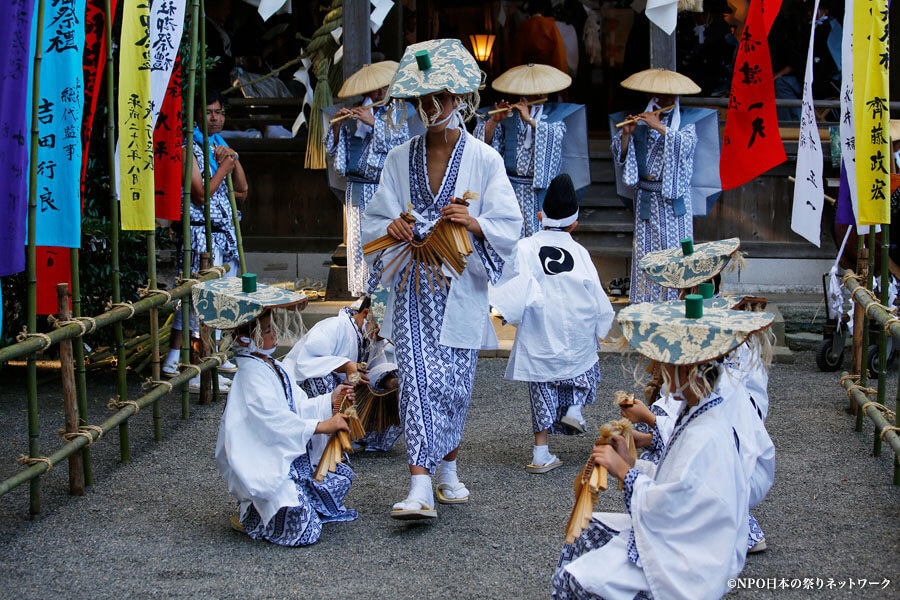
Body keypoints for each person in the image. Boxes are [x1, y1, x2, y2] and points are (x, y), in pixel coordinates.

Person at [361, 39, 522, 520]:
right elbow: (376, 218)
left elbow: (509, 224)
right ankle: (420, 485)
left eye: (440, 99)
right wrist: (391, 227)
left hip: (459, 288)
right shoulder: (397, 158)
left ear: (458, 99)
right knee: (416, 383)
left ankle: (448, 470)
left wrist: (475, 224)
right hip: (412, 287)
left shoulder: (484, 159)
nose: (430, 108)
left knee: (453, 385)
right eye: (421, 101)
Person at [552, 297, 774, 599]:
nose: (660, 373)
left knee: (580, 579)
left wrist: (627, 472)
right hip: (689, 538)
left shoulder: (707, 432)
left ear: (689, 372)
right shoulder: (703, 411)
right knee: (589, 531)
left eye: (668, 366)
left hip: (693, 561)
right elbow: (681, 482)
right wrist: (636, 463)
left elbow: (677, 505)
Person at [191, 276, 357, 546]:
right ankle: (251, 512)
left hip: (285, 455)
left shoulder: (271, 365)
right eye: (267, 331)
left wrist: (330, 401)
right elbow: (272, 422)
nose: (275, 334)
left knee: (338, 480)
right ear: (247, 338)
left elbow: (296, 405)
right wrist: (321, 426)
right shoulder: (251, 375)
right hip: (264, 464)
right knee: (303, 530)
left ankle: (280, 500)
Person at [635, 238, 776, 553]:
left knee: (652, 446)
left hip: (734, 463)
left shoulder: (706, 344)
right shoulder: (731, 319)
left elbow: (682, 433)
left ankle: (723, 524)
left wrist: (642, 434)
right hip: (749, 440)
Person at [489, 173, 615, 473]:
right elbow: (596, 296)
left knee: (542, 386)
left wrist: (506, 311)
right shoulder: (580, 252)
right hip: (576, 324)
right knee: (586, 367)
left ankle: (541, 452)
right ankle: (574, 408)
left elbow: (512, 287)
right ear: (574, 224)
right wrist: (599, 326)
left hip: (540, 327)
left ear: (539, 215)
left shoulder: (525, 246)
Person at [163, 89, 249, 387]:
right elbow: (200, 195)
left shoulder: (218, 146)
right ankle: (191, 364)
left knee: (215, 300)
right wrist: (224, 166)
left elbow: (242, 191)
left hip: (222, 234)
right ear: (197, 115)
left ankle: (192, 360)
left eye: (220, 112)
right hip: (201, 234)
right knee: (197, 300)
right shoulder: (190, 148)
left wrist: (232, 161)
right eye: (209, 112)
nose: (215, 118)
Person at [611, 69, 701, 303]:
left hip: (674, 201)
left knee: (676, 253)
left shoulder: (687, 123)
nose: (667, 100)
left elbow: (687, 146)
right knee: (646, 253)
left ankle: (677, 302)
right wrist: (626, 135)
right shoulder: (640, 119)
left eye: (671, 97)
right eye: (662, 96)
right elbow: (620, 155)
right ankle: (646, 304)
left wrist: (659, 127)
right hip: (647, 198)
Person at [326, 62, 411, 296]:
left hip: (385, 189)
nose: (381, 93)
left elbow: (401, 146)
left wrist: (374, 122)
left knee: (385, 239)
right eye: (376, 89)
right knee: (359, 242)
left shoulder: (399, 113)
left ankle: (384, 292)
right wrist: (338, 127)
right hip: (357, 187)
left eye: (385, 88)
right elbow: (336, 153)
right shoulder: (354, 111)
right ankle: (362, 293)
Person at [283, 294, 402, 451]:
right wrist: (345, 366)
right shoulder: (334, 326)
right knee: (322, 379)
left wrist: (390, 381)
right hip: (306, 391)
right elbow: (306, 362)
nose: (382, 337)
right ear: (366, 313)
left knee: (398, 385)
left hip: (346, 390)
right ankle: (323, 442)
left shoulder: (372, 337)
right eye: (382, 330)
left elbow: (374, 370)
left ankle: (362, 439)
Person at [474, 64, 572, 237]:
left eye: (544, 90)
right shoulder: (509, 115)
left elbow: (556, 137)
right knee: (508, 236)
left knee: (536, 237)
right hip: (509, 186)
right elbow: (482, 144)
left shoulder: (555, 117)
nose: (541, 94)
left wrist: (529, 120)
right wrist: (495, 120)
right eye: (536, 91)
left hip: (538, 190)